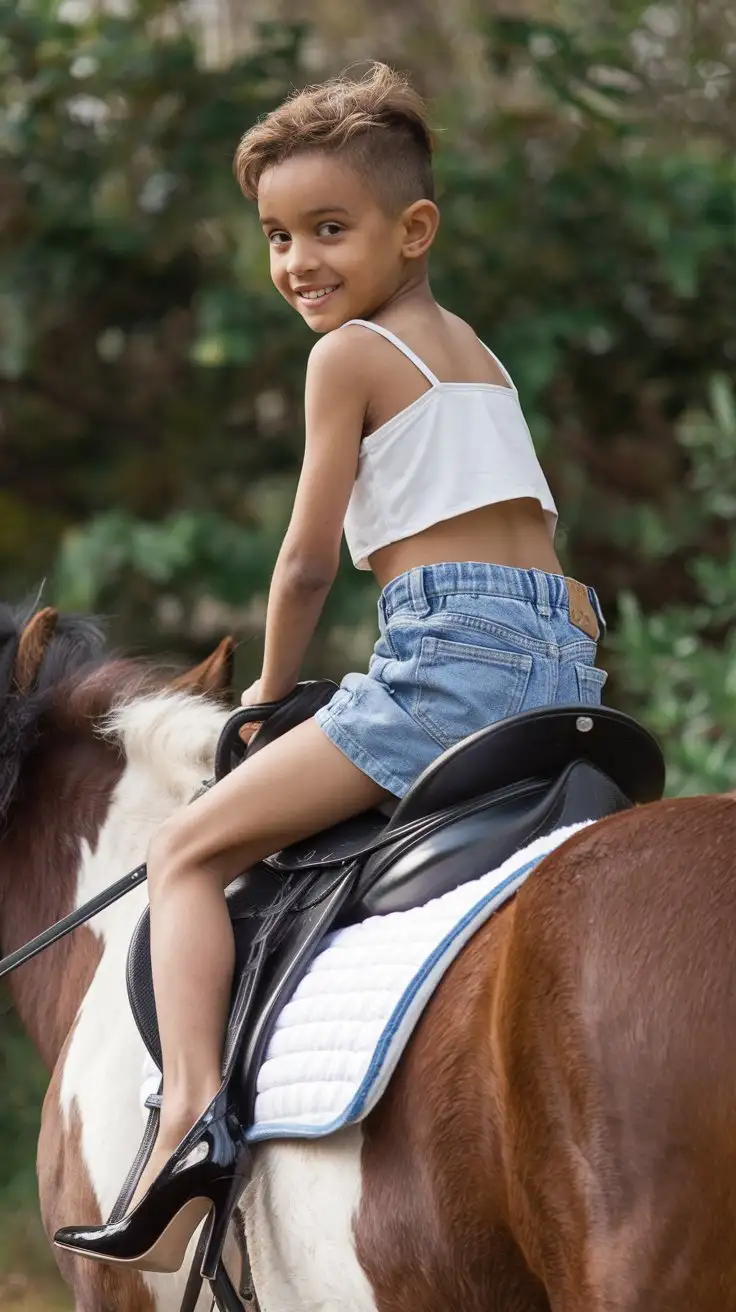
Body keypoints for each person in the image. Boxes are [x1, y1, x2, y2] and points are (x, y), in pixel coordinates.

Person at [54, 61, 606, 1272]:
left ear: (414, 230)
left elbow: (306, 565)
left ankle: (188, 1119)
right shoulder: (479, 358)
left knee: (184, 849)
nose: (298, 261)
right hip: (565, 660)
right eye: (276, 236)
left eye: (328, 230)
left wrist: (260, 698)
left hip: (449, 663)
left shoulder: (347, 356)